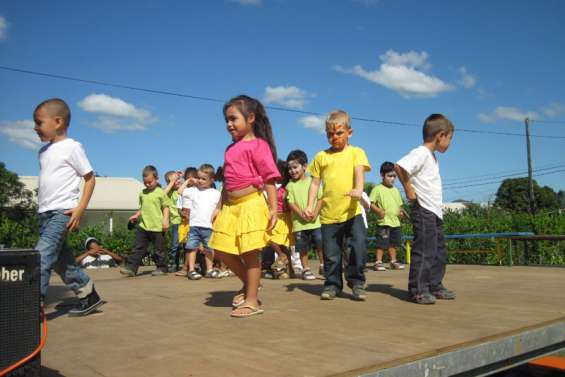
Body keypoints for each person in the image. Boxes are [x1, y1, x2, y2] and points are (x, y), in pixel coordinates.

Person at [209, 95, 280, 318]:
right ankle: (251, 284)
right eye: (226, 120)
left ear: (250, 118)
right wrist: (219, 206)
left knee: (250, 253)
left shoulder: (259, 145)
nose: (229, 124)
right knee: (221, 249)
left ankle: (252, 300)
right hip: (230, 207)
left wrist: (273, 208)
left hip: (251, 204)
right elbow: (227, 182)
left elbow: (269, 178)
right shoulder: (230, 149)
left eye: (233, 119)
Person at [33, 98, 104, 316]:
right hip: (45, 214)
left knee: (41, 256)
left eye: (39, 122)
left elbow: (90, 178)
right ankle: (89, 295)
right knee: (62, 262)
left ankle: (31, 306)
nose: (35, 128)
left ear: (58, 122)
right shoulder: (43, 152)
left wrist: (80, 208)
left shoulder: (72, 147)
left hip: (63, 212)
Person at [305, 110, 371, 301]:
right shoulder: (321, 157)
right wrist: (310, 206)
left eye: (339, 133)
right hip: (328, 215)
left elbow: (359, 172)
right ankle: (332, 284)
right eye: (330, 134)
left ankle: (357, 282)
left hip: (352, 212)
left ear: (349, 132)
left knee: (358, 247)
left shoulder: (356, 152)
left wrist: (358, 189)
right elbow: (315, 183)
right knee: (331, 254)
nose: (334, 137)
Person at [395, 114, 456, 305]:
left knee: (438, 250)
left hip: (434, 211)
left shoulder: (431, 156)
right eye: (450, 139)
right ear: (440, 135)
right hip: (423, 210)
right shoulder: (421, 153)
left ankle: (434, 285)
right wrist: (408, 189)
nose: (450, 143)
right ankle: (418, 290)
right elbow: (399, 166)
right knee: (424, 249)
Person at [120, 165, 170, 277]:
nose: (147, 184)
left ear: (157, 179)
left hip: (157, 226)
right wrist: (136, 215)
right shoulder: (142, 193)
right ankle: (131, 268)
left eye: (150, 182)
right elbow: (142, 208)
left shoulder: (160, 192)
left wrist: (165, 220)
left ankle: (162, 268)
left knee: (158, 249)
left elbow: (166, 207)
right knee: (138, 247)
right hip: (143, 226)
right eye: (145, 182)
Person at [286, 150, 324, 280]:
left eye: (295, 167)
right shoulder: (290, 186)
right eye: (289, 168)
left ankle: (324, 266)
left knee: (320, 244)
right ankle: (306, 269)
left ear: (304, 166)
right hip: (299, 224)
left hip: (316, 222)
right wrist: (301, 214)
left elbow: (320, 199)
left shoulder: (314, 181)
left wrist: (315, 213)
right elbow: (291, 202)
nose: (292, 171)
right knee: (303, 248)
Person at [182, 164, 221, 280]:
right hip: (194, 225)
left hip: (208, 226)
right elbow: (180, 191)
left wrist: (214, 215)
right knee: (192, 248)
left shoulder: (216, 193)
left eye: (203, 179)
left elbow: (219, 207)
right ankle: (191, 270)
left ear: (211, 180)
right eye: (198, 178)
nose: (200, 180)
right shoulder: (193, 190)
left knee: (209, 249)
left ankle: (209, 269)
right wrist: (188, 180)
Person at [369, 162, 407, 271]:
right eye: (389, 176)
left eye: (394, 176)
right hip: (384, 222)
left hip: (395, 222)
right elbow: (370, 203)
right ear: (382, 175)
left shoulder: (396, 190)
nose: (392, 179)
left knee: (393, 244)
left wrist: (401, 212)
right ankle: (378, 262)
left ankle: (393, 261)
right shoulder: (377, 189)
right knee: (381, 243)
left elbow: (400, 205)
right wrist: (378, 211)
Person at [267, 160, 293, 280]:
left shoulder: (288, 186)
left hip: (284, 217)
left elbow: (289, 203)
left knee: (280, 243)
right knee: (269, 238)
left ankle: (288, 268)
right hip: (275, 216)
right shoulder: (272, 185)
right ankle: (282, 257)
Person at [175, 167, 198, 276]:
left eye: (192, 178)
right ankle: (187, 267)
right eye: (187, 179)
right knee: (187, 246)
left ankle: (186, 267)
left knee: (192, 245)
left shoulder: (198, 191)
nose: (190, 181)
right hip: (185, 222)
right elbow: (179, 206)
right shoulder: (184, 191)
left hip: (195, 221)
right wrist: (182, 213)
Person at [164, 170, 183, 271]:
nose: (178, 181)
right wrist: (172, 182)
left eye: (178, 179)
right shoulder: (170, 193)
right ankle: (173, 263)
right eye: (175, 180)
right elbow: (163, 194)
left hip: (186, 221)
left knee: (187, 244)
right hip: (176, 222)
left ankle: (187, 264)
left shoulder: (183, 189)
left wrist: (181, 178)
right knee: (175, 244)